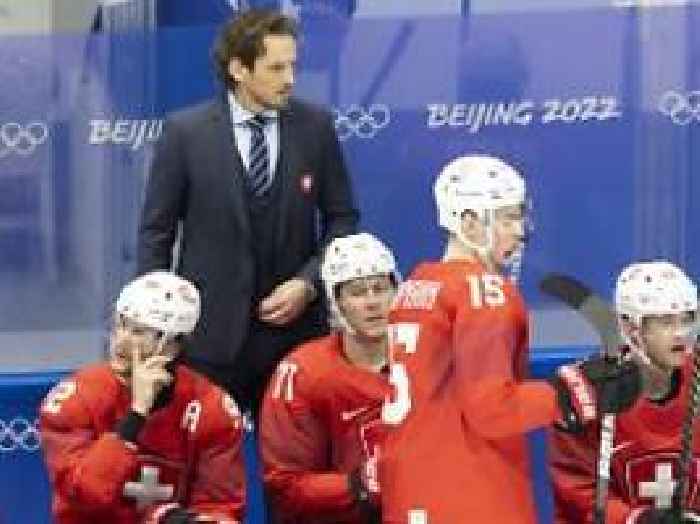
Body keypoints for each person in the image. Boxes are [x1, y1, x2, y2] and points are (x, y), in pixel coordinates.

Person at [378, 154, 642, 523]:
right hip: (470, 495)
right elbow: (492, 409)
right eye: (507, 218)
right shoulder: (484, 291)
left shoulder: (416, 285)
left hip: (410, 489)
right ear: (469, 223)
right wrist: (573, 393)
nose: (520, 231)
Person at [137, 8, 359, 412]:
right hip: (209, 340)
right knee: (205, 452)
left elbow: (343, 218)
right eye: (276, 68)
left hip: (296, 341)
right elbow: (157, 233)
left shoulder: (315, 128)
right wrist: (155, 323)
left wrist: (308, 283)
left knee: (295, 453)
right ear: (239, 69)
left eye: (292, 66)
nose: (289, 79)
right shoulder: (186, 134)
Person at [40, 271, 246, 524]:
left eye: (138, 332)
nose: (121, 341)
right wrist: (136, 414)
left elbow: (220, 506)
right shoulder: (76, 398)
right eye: (121, 325)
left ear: (172, 345)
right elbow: (85, 495)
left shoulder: (212, 407)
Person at [259, 233, 397, 524]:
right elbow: (284, 486)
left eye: (380, 289)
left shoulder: (425, 361)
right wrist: (358, 485)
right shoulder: (303, 373)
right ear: (337, 302)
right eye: (358, 292)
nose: (372, 302)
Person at [549, 261, 700, 524]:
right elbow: (578, 494)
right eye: (665, 322)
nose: (680, 333)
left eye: (686, 319)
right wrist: (637, 520)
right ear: (631, 328)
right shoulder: (588, 393)